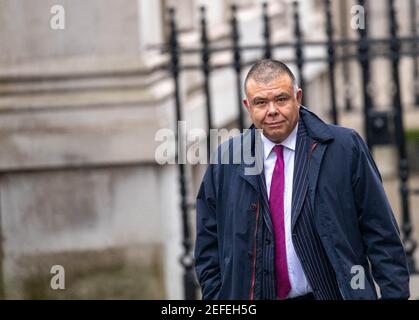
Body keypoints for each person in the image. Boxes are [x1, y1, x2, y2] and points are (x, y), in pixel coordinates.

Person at [194, 59, 410, 300]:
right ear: (248, 106)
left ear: (298, 98)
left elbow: (381, 234)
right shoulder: (226, 161)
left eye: (281, 99)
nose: (272, 110)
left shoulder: (344, 148)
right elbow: (207, 250)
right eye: (261, 102)